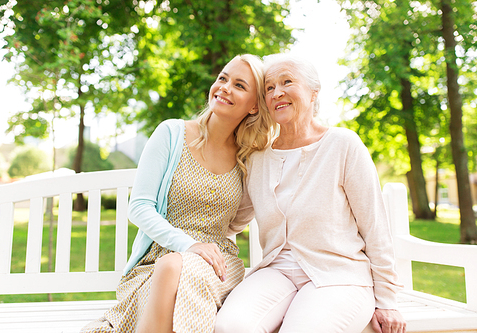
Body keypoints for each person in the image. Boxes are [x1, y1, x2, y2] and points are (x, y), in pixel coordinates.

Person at [81, 53, 274, 333]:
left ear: (255, 106)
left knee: (178, 271)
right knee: (172, 267)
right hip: (154, 264)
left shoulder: (248, 158)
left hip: (217, 262)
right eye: (223, 78)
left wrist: (199, 249)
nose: (224, 87)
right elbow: (140, 207)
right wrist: (188, 245)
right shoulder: (172, 134)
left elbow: (238, 220)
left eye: (239, 85)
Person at [215, 53, 407, 333]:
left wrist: (388, 300)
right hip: (276, 271)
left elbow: (375, 227)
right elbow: (233, 219)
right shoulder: (259, 158)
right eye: (269, 87)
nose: (277, 92)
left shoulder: (343, 144)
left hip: (338, 275)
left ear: (314, 92)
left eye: (287, 82)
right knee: (230, 326)